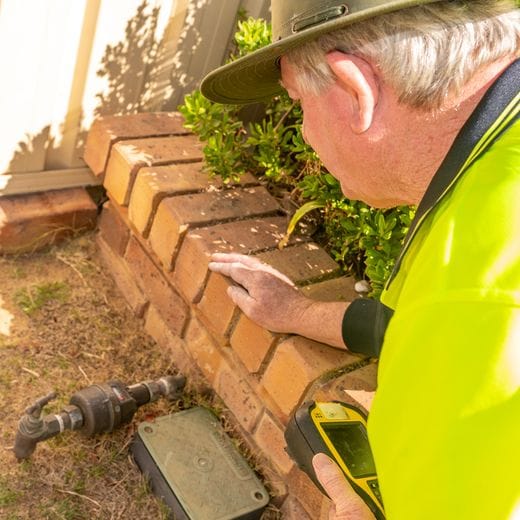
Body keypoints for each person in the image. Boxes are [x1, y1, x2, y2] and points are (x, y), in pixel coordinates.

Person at [201, 1, 520, 518]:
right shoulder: (486, 183)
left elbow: (468, 317)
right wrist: (297, 313)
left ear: (355, 91)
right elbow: (405, 325)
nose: (303, 131)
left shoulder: (477, 303)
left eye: (299, 102)